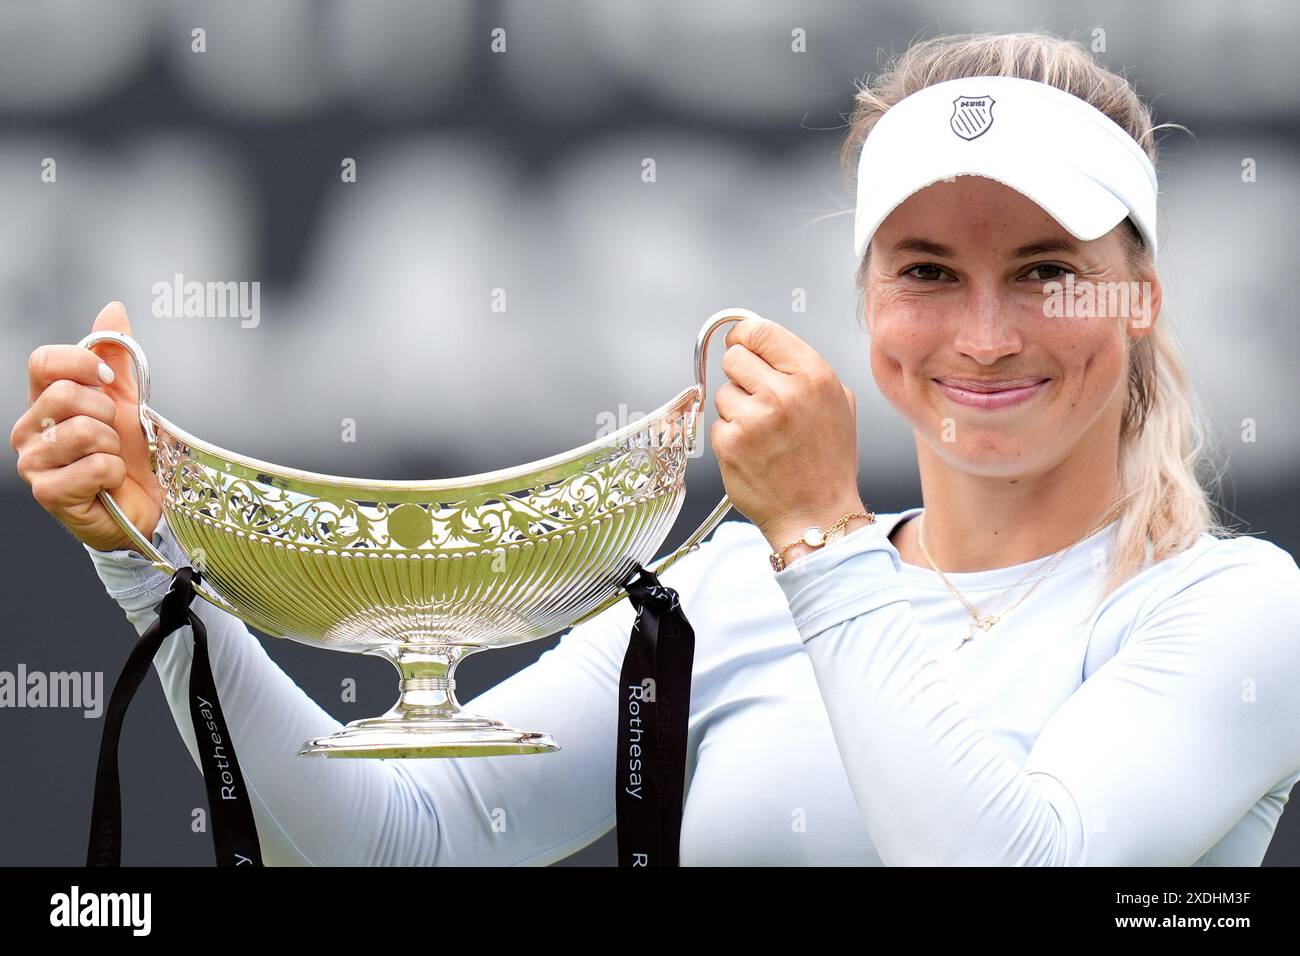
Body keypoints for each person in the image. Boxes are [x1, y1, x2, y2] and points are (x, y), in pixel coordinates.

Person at [12, 31, 1300, 866]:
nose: (983, 333)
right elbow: (405, 844)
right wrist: (151, 557)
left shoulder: (1239, 611)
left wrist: (819, 534)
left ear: (1142, 298)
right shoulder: (738, 589)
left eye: (1044, 271)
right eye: (927, 271)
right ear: (867, 303)